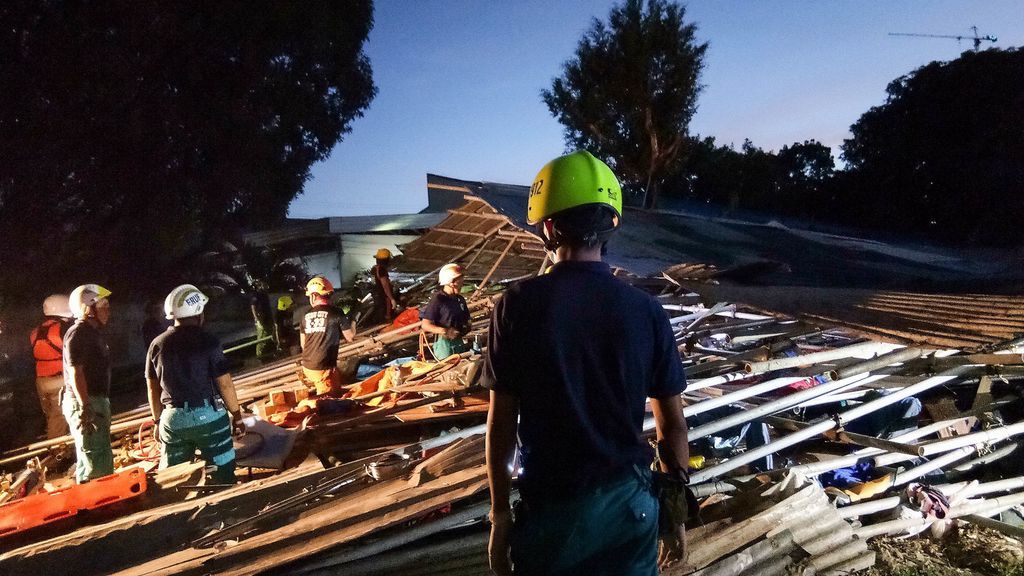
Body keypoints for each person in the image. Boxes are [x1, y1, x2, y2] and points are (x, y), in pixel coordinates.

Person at [484, 151, 690, 576]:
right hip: (630, 507)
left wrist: (501, 515)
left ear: (548, 226)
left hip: (552, 513)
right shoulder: (645, 310)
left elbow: (501, 423)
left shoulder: (517, 306)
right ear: (610, 224)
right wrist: (675, 512)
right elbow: (672, 426)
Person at [146, 284, 245, 484]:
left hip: (172, 419)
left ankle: (178, 509)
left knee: (174, 478)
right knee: (222, 468)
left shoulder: (157, 344)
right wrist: (236, 415)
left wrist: (157, 421)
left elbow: (152, 387)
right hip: (207, 416)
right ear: (198, 312)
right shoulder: (208, 341)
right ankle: (225, 499)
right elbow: (224, 383)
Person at [62, 283, 115, 482]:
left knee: (95, 453)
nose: (108, 311)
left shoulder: (91, 333)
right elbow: (76, 371)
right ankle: (103, 504)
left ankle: (94, 494)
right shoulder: (79, 333)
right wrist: (85, 405)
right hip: (86, 401)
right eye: (103, 306)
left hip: (93, 399)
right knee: (95, 457)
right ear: (88, 309)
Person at [300, 276, 355, 395]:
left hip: (308, 365)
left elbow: (303, 345)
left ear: (313, 296)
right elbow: (350, 337)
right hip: (323, 368)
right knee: (328, 400)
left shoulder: (305, 316)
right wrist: (354, 320)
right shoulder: (336, 313)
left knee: (338, 389)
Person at [30, 294, 73, 438]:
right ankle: (58, 453)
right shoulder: (64, 328)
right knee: (59, 419)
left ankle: (61, 447)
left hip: (41, 381)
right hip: (60, 380)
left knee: (51, 417)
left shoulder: (36, 332)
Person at [419, 264, 471, 360]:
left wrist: (466, 327)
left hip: (458, 341)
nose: (463, 282)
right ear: (451, 282)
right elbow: (425, 325)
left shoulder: (460, 299)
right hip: (444, 344)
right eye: (460, 279)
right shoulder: (439, 299)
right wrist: (445, 331)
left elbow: (466, 318)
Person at [250, 281, 277, 362]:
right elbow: (253, 307)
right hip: (261, 318)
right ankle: (260, 356)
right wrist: (256, 318)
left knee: (271, 334)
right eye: (261, 285)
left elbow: (268, 307)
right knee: (262, 336)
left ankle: (270, 353)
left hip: (268, 317)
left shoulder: (264, 294)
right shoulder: (255, 295)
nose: (263, 287)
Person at [371, 248, 399, 323]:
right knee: (387, 315)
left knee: (379, 313)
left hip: (375, 295)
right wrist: (392, 299)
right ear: (386, 260)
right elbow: (385, 287)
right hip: (383, 296)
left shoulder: (374, 268)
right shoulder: (381, 270)